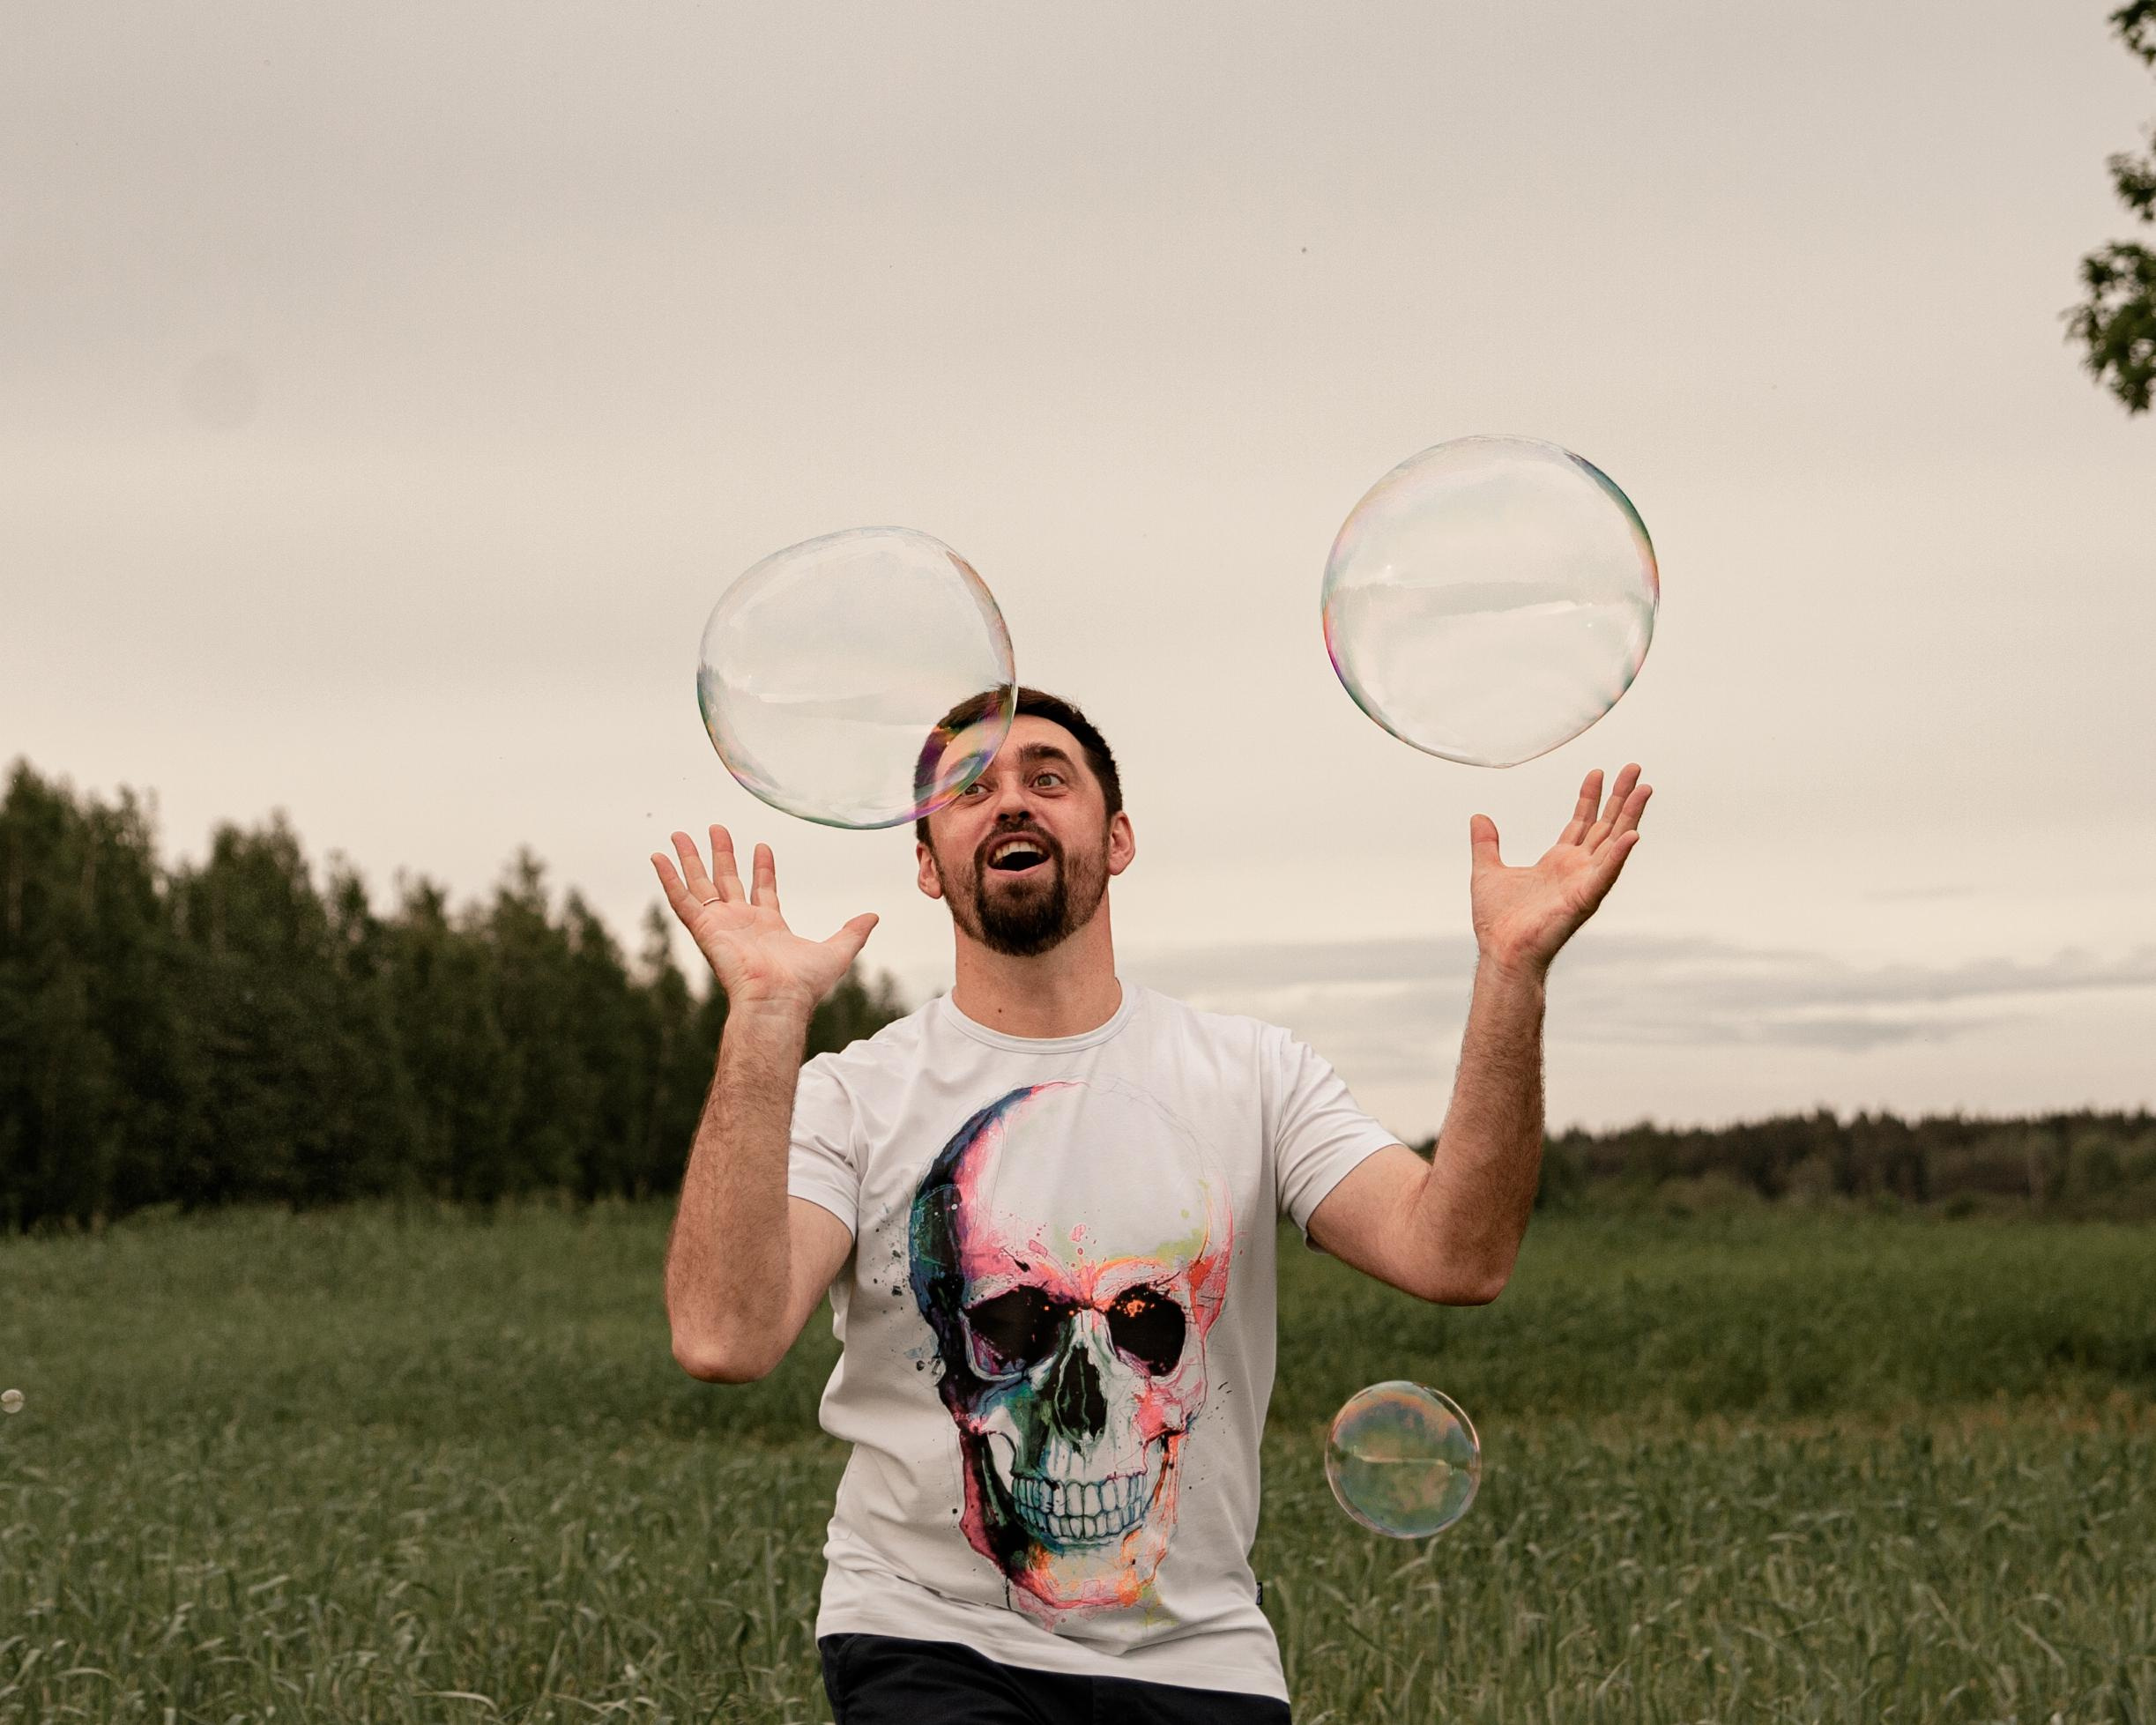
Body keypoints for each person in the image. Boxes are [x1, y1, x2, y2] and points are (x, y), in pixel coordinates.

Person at [651, 688, 1651, 1723]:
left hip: (1202, 1662)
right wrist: (765, 1014)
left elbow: (1456, 1255)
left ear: (1118, 837)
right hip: (927, 1640)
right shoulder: (854, 1098)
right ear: (925, 862)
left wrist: (1512, 970)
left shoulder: (1254, 1076)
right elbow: (724, 1335)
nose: (1011, 800)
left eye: (1048, 777)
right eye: (970, 789)